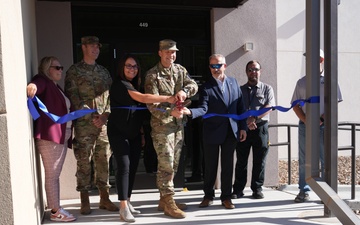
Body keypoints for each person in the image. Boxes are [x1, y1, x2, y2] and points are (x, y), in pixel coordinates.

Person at [107, 54, 176, 222]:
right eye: (128, 66)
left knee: (132, 169)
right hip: (118, 132)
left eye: (135, 66)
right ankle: (123, 207)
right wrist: (168, 98)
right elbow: (142, 98)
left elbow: (136, 112)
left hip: (135, 134)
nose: (132, 69)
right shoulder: (120, 84)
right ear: (121, 68)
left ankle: (128, 201)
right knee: (123, 167)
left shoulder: (134, 84)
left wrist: (142, 134)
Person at [183, 54, 247, 209]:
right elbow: (204, 108)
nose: (215, 69)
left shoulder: (234, 83)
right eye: (212, 66)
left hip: (231, 131)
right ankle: (208, 195)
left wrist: (243, 127)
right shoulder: (206, 87)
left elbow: (240, 108)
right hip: (212, 132)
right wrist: (190, 112)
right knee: (210, 166)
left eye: (218, 65)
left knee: (227, 167)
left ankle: (226, 197)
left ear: (224, 66)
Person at [144, 39, 198, 219]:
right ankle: (169, 202)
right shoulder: (152, 75)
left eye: (173, 52)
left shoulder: (180, 70)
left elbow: (194, 85)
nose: (171, 55)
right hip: (162, 128)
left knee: (173, 165)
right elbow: (151, 104)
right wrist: (170, 112)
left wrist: (185, 91)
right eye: (167, 52)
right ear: (160, 53)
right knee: (166, 164)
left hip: (178, 127)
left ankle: (163, 200)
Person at [64, 36, 118, 215]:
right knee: (84, 161)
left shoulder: (104, 72)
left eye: (98, 47)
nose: (96, 50)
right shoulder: (74, 71)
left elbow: (111, 98)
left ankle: (104, 198)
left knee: (103, 160)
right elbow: (72, 95)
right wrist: (89, 113)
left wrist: (104, 116)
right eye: (92, 46)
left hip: (102, 125)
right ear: (84, 48)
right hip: (84, 125)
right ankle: (85, 199)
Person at [26, 56, 76, 222]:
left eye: (61, 67)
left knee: (55, 174)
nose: (60, 70)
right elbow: (36, 84)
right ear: (47, 69)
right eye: (57, 67)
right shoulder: (43, 81)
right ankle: (55, 211)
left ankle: (57, 206)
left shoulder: (56, 87)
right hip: (50, 136)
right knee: (52, 174)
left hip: (61, 135)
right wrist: (32, 86)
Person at [291, 49, 342, 203]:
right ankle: (303, 191)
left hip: (323, 127)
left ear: (321, 60)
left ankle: (328, 193)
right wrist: (307, 120)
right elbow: (295, 105)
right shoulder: (301, 82)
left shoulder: (330, 81)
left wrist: (321, 119)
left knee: (325, 159)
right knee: (304, 159)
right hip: (305, 126)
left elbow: (334, 104)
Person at [231, 60, 275, 200]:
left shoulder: (267, 89)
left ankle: (257, 188)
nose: (253, 72)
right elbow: (237, 108)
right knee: (241, 160)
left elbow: (269, 106)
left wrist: (254, 119)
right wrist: (246, 122)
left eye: (255, 69)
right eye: (250, 69)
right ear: (246, 72)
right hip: (243, 128)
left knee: (260, 160)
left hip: (260, 128)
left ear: (260, 71)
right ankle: (238, 189)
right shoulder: (239, 90)